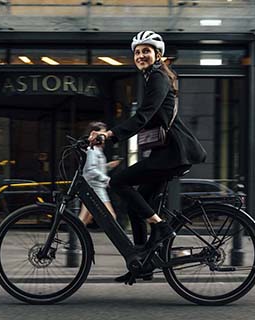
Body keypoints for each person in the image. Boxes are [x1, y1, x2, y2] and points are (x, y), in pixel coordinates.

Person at [88, 31, 207, 283]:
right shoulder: (153, 77)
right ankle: (141, 263)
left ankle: (161, 226)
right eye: (137, 52)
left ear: (157, 54)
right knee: (137, 202)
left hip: (173, 152)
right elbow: (146, 118)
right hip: (167, 153)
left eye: (146, 51)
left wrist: (109, 135)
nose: (140, 55)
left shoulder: (158, 77)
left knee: (118, 182)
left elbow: (143, 116)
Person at [78, 122, 120, 226]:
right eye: (101, 134)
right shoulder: (93, 150)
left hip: (94, 185)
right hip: (96, 187)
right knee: (111, 216)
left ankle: (73, 240)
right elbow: (91, 170)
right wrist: (107, 179)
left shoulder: (96, 150)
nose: (104, 137)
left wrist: (108, 166)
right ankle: (118, 241)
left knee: (84, 218)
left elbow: (94, 168)